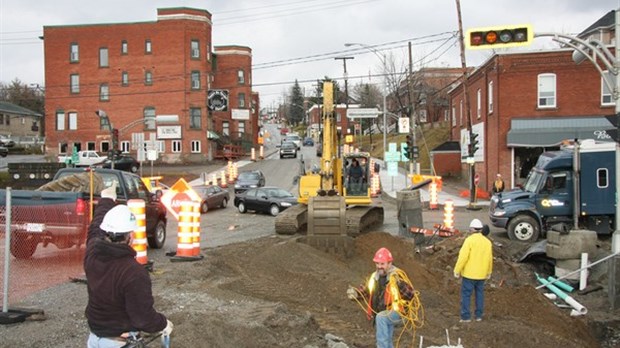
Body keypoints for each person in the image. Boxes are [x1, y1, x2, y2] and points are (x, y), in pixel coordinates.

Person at [85, 184, 173, 347]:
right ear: (130, 236)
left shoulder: (92, 253)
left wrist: (106, 200)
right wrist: (163, 324)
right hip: (119, 341)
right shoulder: (133, 272)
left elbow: (95, 228)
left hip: (95, 339)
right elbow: (143, 318)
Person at [347, 247, 417, 348]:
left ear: (389, 263)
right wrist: (355, 293)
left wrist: (399, 284)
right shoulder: (374, 277)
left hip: (398, 313)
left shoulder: (397, 276)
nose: (379, 266)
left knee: (381, 318)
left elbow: (411, 295)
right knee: (386, 338)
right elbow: (365, 290)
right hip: (384, 313)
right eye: (377, 264)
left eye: (382, 264)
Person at [453, 219, 493, 323]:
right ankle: (478, 316)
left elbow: (463, 257)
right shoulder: (487, 242)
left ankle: (466, 317)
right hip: (482, 274)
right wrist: (489, 272)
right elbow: (489, 258)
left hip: (469, 275)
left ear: (472, 229)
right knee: (479, 294)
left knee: (466, 295)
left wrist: (457, 270)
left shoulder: (469, 240)